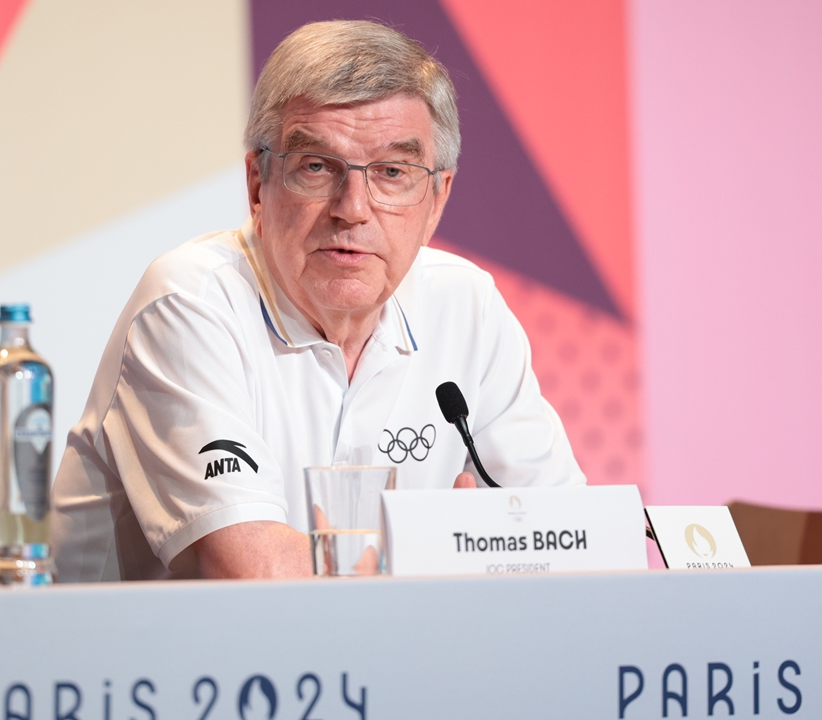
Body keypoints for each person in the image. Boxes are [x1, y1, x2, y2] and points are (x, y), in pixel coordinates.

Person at [51, 19, 585, 582]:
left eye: (392, 172)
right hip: (133, 664)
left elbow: (575, 546)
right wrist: (451, 550)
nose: (352, 208)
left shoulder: (466, 306)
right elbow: (254, 574)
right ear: (258, 184)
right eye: (316, 167)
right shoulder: (189, 303)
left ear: (437, 199)